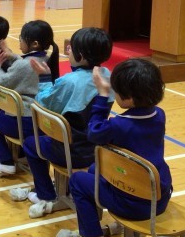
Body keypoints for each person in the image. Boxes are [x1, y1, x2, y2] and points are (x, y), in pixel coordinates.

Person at [66, 58, 172, 237]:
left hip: (132, 204)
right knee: (94, 170)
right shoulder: (159, 115)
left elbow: (94, 131)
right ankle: (118, 230)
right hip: (158, 198)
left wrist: (102, 94)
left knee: (77, 181)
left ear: (129, 98)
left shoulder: (118, 125)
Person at [11, 27, 114, 218]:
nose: (68, 50)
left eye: (71, 48)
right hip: (96, 150)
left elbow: (43, 104)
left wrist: (44, 78)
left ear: (81, 55)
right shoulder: (107, 75)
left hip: (71, 151)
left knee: (31, 144)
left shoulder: (70, 81)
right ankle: (59, 188)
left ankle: (45, 194)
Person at [0, 20, 59, 179]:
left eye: (21, 39)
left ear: (34, 44)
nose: (19, 42)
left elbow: (1, 82)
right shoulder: (46, 59)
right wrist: (11, 55)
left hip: (26, 121)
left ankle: (4, 161)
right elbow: (24, 63)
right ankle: (21, 155)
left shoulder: (24, 65)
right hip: (42, 121)